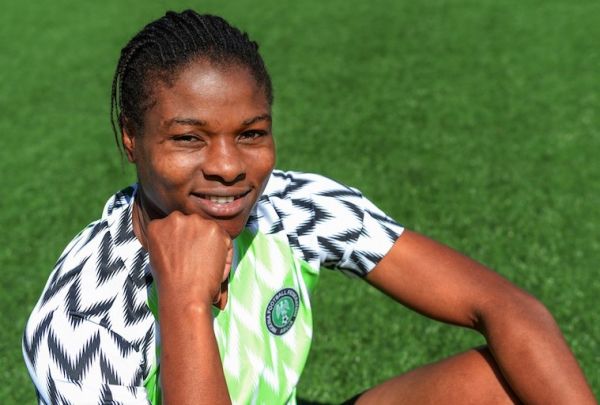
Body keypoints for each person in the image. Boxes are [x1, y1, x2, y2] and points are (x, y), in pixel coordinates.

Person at [22, 10, 595, 405]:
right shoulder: (81, 324)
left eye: (250, 134)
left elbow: (506, 307)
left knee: (501, 384)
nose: (228, 166)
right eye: (188, 139)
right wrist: (183, 302)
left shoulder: (292, 207)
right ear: (131, 138)